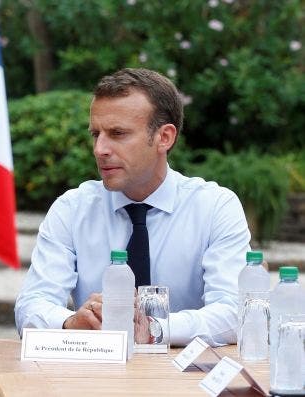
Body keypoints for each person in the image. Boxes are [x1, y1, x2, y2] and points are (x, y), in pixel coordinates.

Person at [14, 68, 250, 347]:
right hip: (95, 377)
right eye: (96, 134)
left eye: (118, 134)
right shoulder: (72, 209)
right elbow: (31, 305)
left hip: (185, 381)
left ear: (164, 137)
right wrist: (70, 323)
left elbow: (236, 314)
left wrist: (153, 328)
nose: (100, 149)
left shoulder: (214, 207)